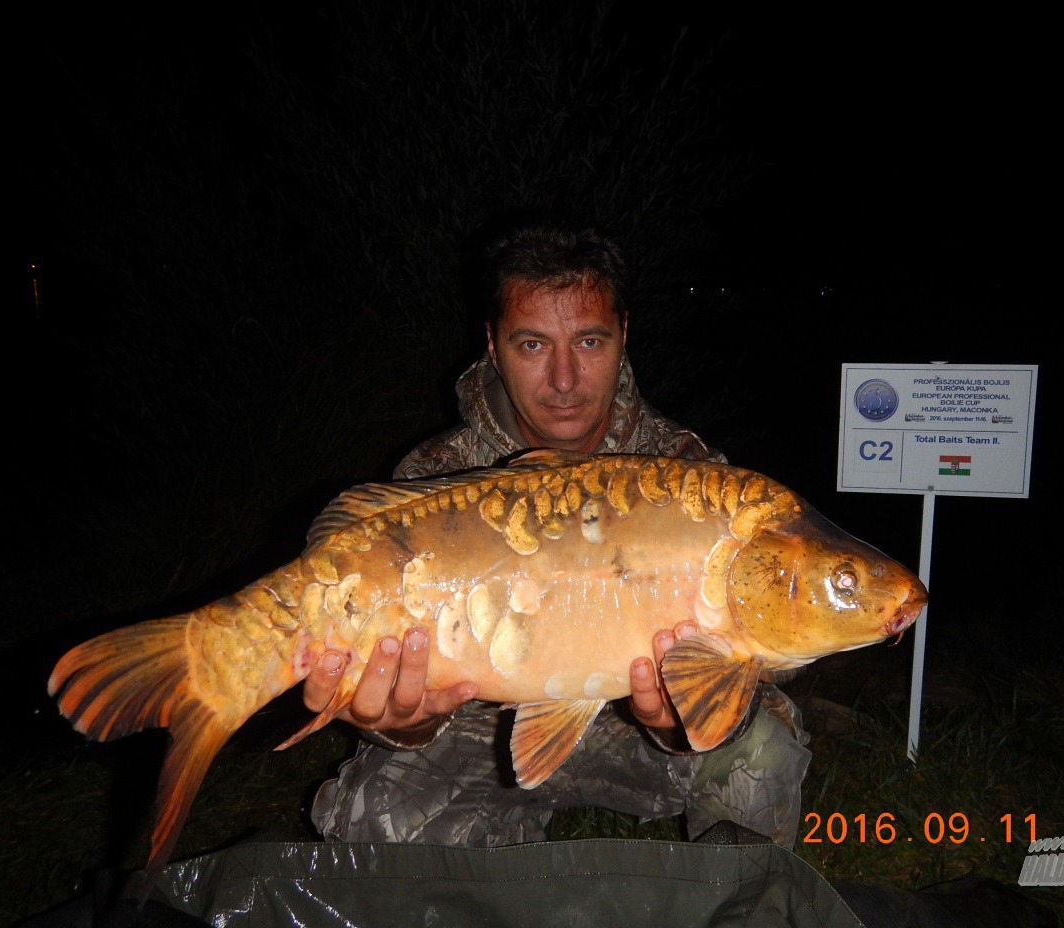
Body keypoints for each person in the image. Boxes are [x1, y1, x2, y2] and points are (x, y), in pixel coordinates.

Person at [302, 216, 812, 848]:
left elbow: (773, 645)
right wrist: (400, 723)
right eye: (534, 345)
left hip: (632, 726)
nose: (565, 380)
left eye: (590, 342)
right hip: (477, 727)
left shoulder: (687, 474)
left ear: (624, 335)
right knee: (371, 817)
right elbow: (385, 691)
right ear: (492, 345)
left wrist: (674, 720)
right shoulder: (436, 480)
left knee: (764, 747)